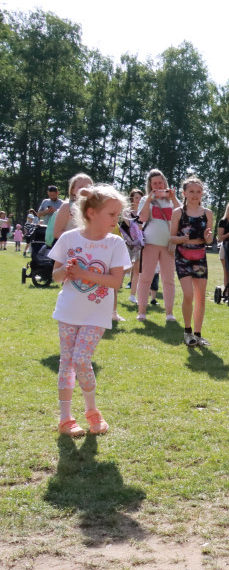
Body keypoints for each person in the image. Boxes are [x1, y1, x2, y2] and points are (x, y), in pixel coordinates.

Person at [48, 185, 132, 436]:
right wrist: (67, 271)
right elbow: (55, 276)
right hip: (68, 311)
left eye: (118, 215)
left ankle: (92, 411)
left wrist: (84, 273)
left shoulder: (115, 243)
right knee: (67, 363)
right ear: (92, 213)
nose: (116, 220)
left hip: (96, 315)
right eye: (112, 214)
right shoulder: (69, 238)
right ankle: (65, 419)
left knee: (81, 359)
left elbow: (116, 281)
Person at [169, 175, 215, 347]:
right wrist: (182, 238)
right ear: (184, 193)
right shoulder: (178, 213)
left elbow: (210, 241)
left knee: (200, 297)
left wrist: (207, 238)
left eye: (199, 191)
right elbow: (172, 238)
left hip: (200, 256)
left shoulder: (207, 213)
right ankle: (187, 332)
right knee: (188, 294)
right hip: (183, 256)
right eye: (191, 191)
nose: (195, 195)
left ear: (202, 193)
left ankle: (198, 334)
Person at [136, 169, 180, 322]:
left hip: (169, 245)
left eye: (160, 182)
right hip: (150, 243)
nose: (158, 185)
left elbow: (181, 216)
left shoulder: (172, 199)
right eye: (154, 183)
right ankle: (142, 311)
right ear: (150, 185)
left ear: (164, 182)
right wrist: (148, 200)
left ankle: (169, 313)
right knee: (145, 278)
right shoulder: (146, 199)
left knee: (168, 280)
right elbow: (142, 219)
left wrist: (173, 198)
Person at [49, 173, 93, 247]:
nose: (85, 190)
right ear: (73, 190)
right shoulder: (67, 207)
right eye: (81, 187)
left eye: (88, 187)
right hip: (68, 251)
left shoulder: (95, 209)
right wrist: (81, 240)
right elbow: (57, 233)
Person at [122, 189, 145, 306]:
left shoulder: (144, 213)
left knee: (137, 270)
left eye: (141, 198)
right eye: (136, 198)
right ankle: (115, 289)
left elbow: (144, 227)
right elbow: (127, 226)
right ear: (132, 199)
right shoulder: (126, 212)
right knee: (123, 268)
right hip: (127, 243)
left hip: (140, 245)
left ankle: (132, 295)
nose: (139, 200)